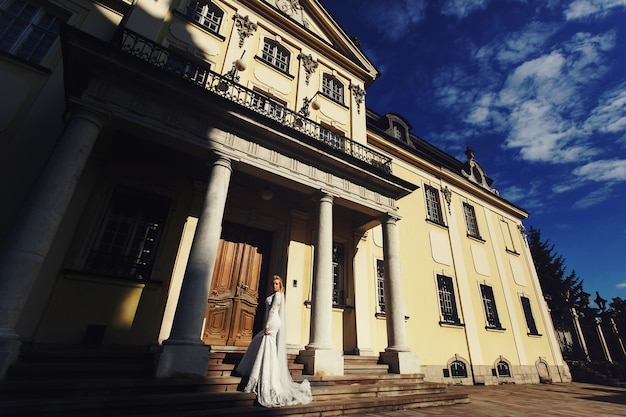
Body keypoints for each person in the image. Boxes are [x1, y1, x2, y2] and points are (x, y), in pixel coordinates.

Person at [235, 275, 312, 408]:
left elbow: (273, 311)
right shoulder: (278, 295)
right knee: (264, 345)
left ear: (280, 285)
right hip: (273, 322)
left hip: (273, 322)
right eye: (273, 283)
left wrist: (267, 325)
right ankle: (263, 372)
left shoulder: (278, 295)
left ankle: (265, 376)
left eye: (277, 284)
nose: (275, 286)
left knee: (266, 344)